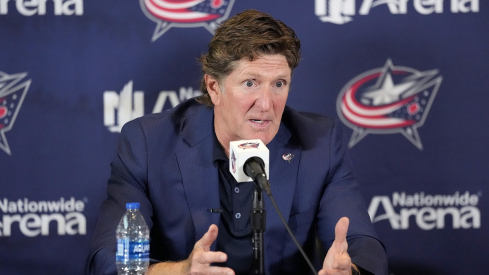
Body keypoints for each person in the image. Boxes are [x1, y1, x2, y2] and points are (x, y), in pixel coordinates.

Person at [87, 9, 388, 275]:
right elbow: (108, 260)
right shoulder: (148, 144)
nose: (267, 104)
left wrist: (352, 271)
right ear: (214, 87)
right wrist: (181, 271)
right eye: (250, 83)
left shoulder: (319, 142)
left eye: (279, 84)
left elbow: (363, 246)